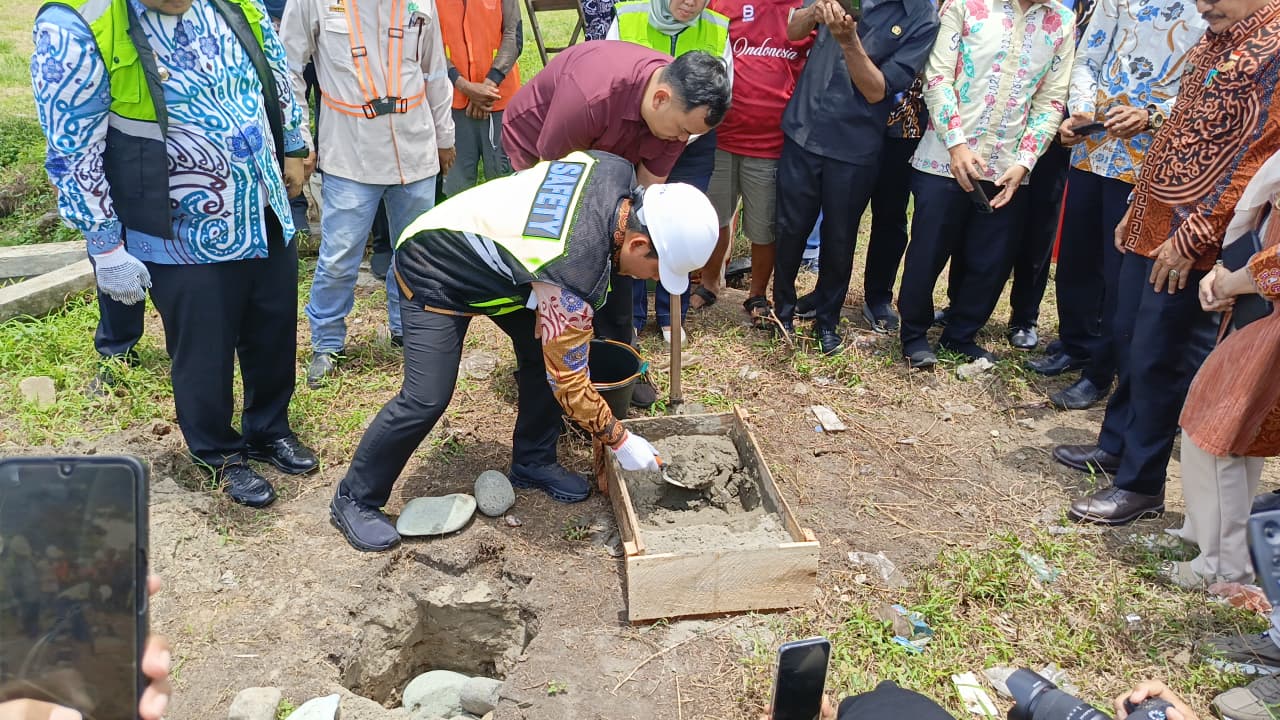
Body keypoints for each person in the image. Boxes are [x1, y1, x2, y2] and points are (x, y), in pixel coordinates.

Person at [328, 151, 719, 552]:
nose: (650, 280)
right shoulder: (571, 269)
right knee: (426, 396)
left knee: (538, 354)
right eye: (656, 272)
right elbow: (569, 382)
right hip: (435, 264)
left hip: (504, 266)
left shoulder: (614, 169)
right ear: (638, 242)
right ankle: (354, 496)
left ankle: (533, 461)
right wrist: (621, 439)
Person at [32, 0, 320, 507]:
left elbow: (275, 70)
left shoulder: (234, 4)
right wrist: (105, 243)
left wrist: (294, 144)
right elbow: (72, 148)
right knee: (203, 353)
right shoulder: (79, 24)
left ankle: (268, 428)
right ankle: (219, 453)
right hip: (179, 233)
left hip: (261, 207)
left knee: (273, 331)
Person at [1054, 0, 1280, 525]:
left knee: (1164, 352)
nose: (1202, 5)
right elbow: (1178, 128)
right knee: (1130, 332)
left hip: (1199, 233)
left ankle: (1141, 484)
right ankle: (1115, 448)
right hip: (1157, 213)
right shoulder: (1218, 38)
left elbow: (1254, 156)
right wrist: (1139, 205)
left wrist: (1197, 231)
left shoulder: (1271, 49)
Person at [501, 41, 731, 405]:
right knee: (554, 268)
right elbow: (555, 191)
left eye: (691, 134)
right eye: (682, 130)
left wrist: (622, 242)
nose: (683, 141)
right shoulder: (590, 95)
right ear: (660, 99)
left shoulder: (674, 121)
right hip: (539, 157)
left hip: (613, 156)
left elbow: (643, 212)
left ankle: (620, 355)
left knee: (626, 246)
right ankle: (544, 370)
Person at [1027, 0, 1206, 409]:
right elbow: (1089, 56)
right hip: (1094, 146)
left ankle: (1101, 371)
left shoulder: (1206, 9)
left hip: (1149, 161)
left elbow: (1203, 92)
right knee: (1077, 255)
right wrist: (1083, 110)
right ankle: (1075, 344)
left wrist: (1151, 115)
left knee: (1118, 271)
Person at [281, 0, 457, 387]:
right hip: (350, 147)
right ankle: (327, 343)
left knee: (415, 250)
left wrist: (445, 136)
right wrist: (299, 138)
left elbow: (434, 70)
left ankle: (408, 330)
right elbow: (289, 67)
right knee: (340, 253)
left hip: (414, 145)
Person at [896, 0, 1076, 369]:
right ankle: (913, 334)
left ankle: (960, 335)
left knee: (990, 259)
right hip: (945, 158)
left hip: (1007, 167)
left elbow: (1051, 100)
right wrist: (957, 143)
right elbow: (938, 76)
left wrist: (1025, 162)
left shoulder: (1061, 21)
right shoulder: (966, 4)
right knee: (927, 252)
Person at [772, 0, 939, 356]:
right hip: (804, 127)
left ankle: (827, 321)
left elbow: (878, 90)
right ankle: (781, 313)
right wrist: (815, 12)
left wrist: (848, 41)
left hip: (855, 143)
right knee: (790, 228)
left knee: (840, 237)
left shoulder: (922, 18)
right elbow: (792, 30)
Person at [1160, 150, 1280, 590]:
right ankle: (1208, 536)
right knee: (1233, 429)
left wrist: (1229, 280)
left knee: (1217, 428)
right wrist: (1226, 270)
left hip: (1268, 303)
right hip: (1257, 293)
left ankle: (1223, 563)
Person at [608, 0, 733, 343]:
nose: (690, 3)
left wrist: (682, 133)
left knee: (680, 228)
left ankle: (671, 316)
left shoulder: (718, 27)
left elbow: (723, 95)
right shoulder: (628, 17)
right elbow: (614, 80)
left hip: (694, 143)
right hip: (638, 137)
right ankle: (630, 315)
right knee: (633, 220)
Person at [701, 0, 812, 326]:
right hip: (720, 138)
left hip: (771, 145)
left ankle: (757, 292)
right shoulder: (724, 5)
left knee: (763, 228)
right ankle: (709, 282)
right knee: (714, 219)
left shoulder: (804, 13)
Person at [0, 576, 170, 720]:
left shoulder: (92, 590)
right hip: (65, 603)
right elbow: (93, 607)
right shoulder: (91, 591)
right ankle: (59, 638)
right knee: (69, 624)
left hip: (71, 603)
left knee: (79, 627)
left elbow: (95, 609)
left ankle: (76, 640)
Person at [439, 0, 520, 197]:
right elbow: (430, 46)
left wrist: (489, 84)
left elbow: (514, 34)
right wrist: (464, 86)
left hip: (499, 100)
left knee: (506, 188)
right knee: (457, 192)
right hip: (454, 103)